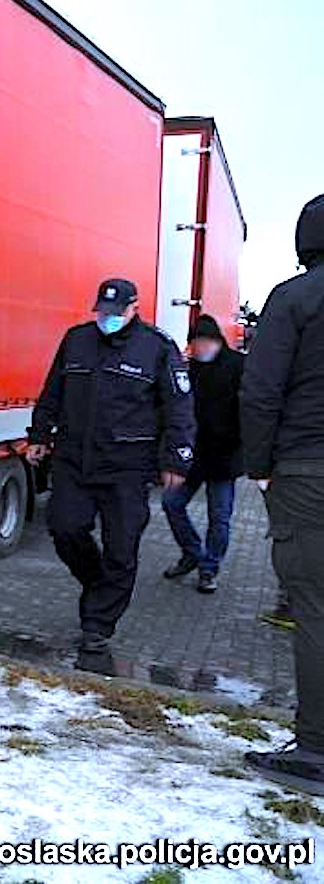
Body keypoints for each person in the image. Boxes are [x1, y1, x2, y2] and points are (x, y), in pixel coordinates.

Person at [27, 278, 196, 675]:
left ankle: (97, 627)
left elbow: (179, 408)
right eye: (103, 313)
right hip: (74, 460)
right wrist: (39, 434)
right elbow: (52, 391)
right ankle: (98, 585)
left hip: (127, 467)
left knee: (122, 549)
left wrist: (177, 460)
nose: (109, 320)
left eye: (117, 313)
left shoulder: (158, 348)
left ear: (135, 308)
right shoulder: (76, 340)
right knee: (65, 527)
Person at [241, 193, 324, 794]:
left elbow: (260, 390)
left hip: (307, 472)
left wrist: (261, 466)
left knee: (315, 608)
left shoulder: (294, 299)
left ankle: (316, 749)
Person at [161, 314, 244, 593]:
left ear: (219, 342)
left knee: (219, 518)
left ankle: (209, 569)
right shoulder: (186, 369)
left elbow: (253, 407)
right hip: (192, 457)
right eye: (197, 342)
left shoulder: (238, 366)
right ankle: (192, 553)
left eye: (208, 342)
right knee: (172, 504)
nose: (203, 348)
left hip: (224, 458)